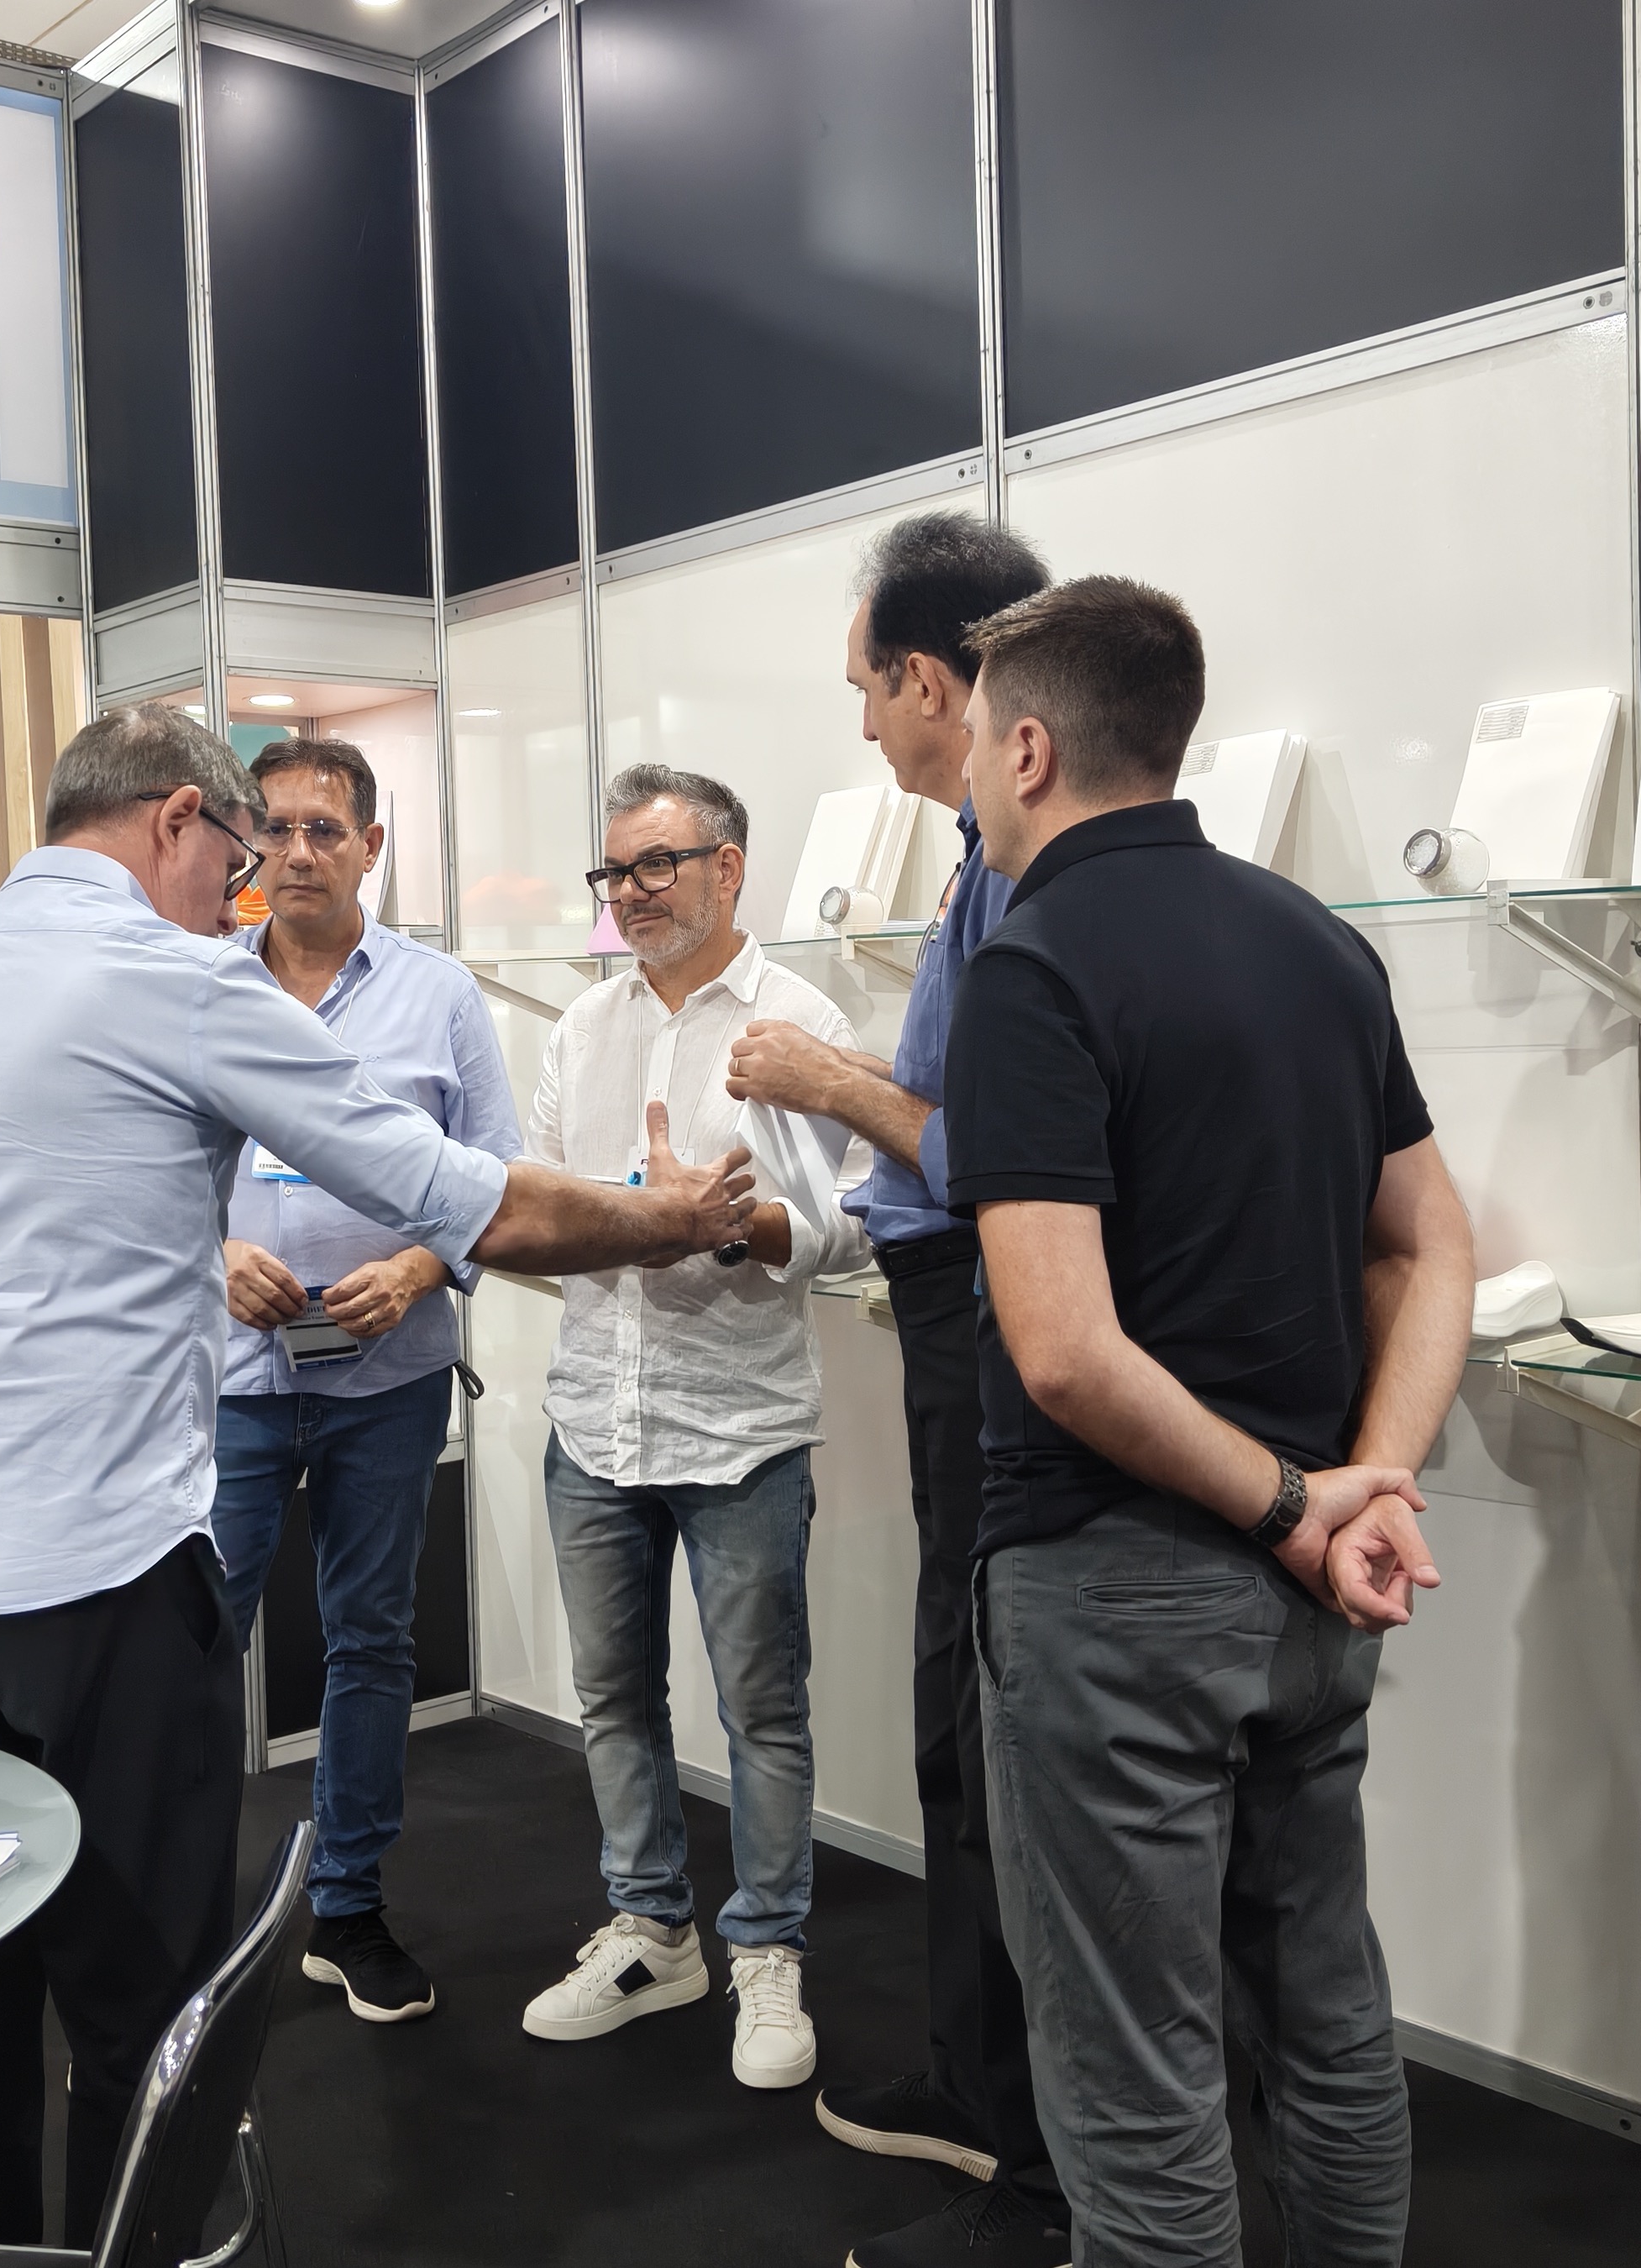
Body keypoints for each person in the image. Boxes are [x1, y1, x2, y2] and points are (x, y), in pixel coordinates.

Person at [0, 705, 755, 2250]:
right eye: (235, 859)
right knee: (140, 2003)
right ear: (179, 819)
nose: (241, 894)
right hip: (98, 1562)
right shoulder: (179, 978)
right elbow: (473, 1202)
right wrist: (672, 1219)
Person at [943, 578, 1474, 2266]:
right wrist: (1370, 1483)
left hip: (1125, 1597)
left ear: (1032, 748)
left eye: (975, 743)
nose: (968, 778)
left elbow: (1066, 1356)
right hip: (1311, 1599)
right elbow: (1433, 1246)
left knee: (1136, 2088)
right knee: (1328, 2026)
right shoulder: (1321, 946)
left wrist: (1304, 1506)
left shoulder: (1029, 968)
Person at [725, 513, 1067, 2266]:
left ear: (937, 682)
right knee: (962, 1702)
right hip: (959, 1321)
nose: (862, 722)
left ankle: (1025, 2127)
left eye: (869, 688)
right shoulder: (985, 864)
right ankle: (989, 2077)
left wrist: (829, 1081)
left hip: (994, 1333)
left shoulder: (1026, 871)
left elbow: (1002, 1148)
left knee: (988, 1708)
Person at [519, 764, 873, 2092]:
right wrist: (629, 1217)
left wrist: (731, 1227)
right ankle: (653, 1931)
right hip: (593, 1421)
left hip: (739, 1429)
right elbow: (539, 1198)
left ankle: (767, 1948)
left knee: (761, 1709)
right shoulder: (582, 1026)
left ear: (729, 868)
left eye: (656, 865)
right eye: (615, 871)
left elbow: (852, 1224)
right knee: (613, 1696)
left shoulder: (801, 1022)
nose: (630, 892)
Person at [212, 736, 522, 2024]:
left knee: (372, 1639)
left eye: (324, 830)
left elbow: (495, 1179)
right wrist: (211, 1250)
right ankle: (176, 1912)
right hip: (229, 1377)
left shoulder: (440, 998)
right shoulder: (195, 987)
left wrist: (419, 1266)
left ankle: (347, 1909)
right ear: (245, 842)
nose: (296, 852)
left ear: (370, 847)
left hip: (389, 1374)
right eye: (274, 829)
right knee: (192, 1639)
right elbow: (140, 1173)